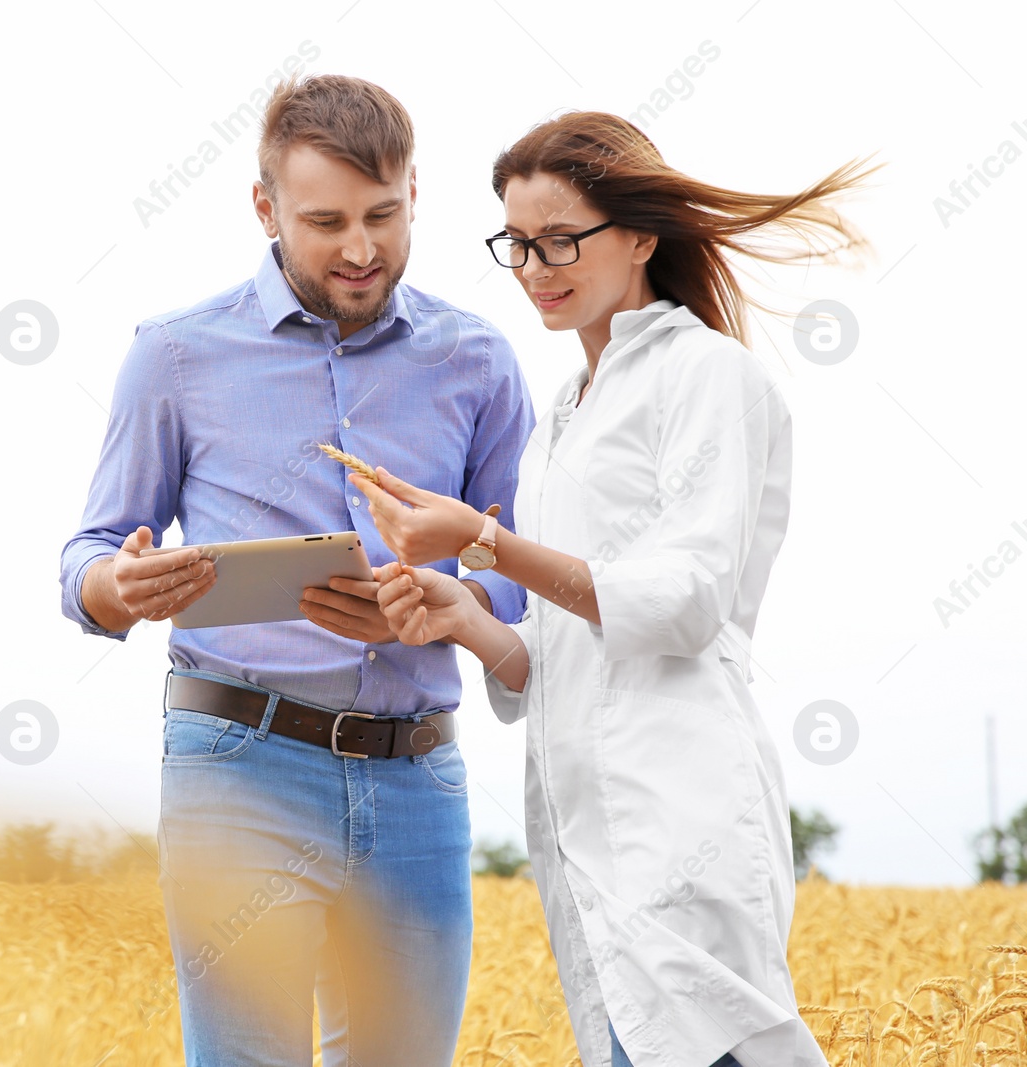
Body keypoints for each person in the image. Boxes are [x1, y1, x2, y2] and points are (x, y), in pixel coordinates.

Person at [350, 112, 877, 1067]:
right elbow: (555, 657)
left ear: (640, 236)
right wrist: (469, 616)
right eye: (517, 244)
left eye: (561, 240)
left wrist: (482, 538)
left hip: (680, 819)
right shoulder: (561, 418)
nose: (535, 267)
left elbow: (682, 601)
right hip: (588, 845)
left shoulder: (709, 375)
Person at [58, 75, 534, 1066]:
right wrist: (116, 586)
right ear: (265, 207)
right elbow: (93, 551)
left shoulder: (479, 361)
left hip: (418, 772)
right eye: (325, 221)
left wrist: (447, 603)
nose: (360, 249)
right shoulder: (176, 355)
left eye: (383, 215)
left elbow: (511, 564)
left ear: (415, 194)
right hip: (239, 766)